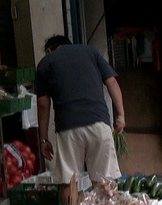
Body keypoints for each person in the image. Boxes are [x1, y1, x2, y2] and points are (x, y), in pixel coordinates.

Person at [36, 36, 125, 188]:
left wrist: (44, 139)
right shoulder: (90, 52)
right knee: (103, 180)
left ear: (49, 50)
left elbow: (43, 104)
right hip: (98, 122)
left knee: (69, 181)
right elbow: (112, 82)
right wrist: (121, 116)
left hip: (68, 128)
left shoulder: (46, 63)